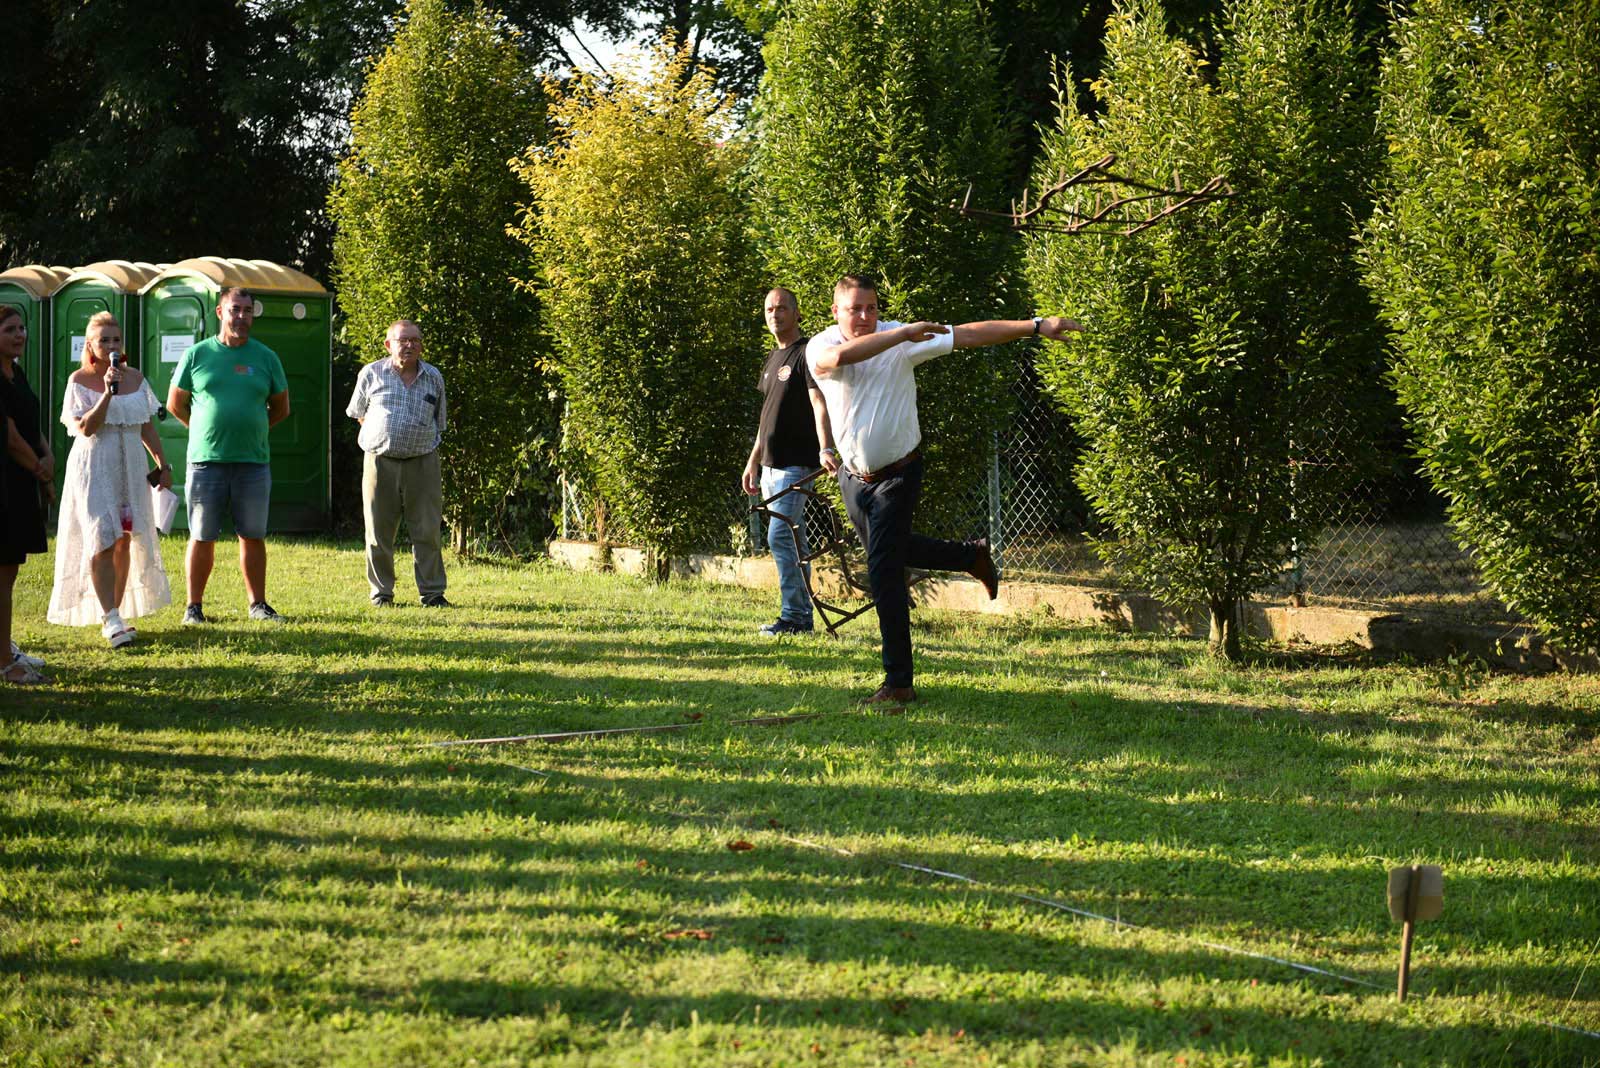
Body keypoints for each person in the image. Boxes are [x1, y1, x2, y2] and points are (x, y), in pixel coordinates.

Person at [806, 273, 1081, 705]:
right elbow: (839, 360)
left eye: (872, 308)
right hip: (854, 480)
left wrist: (1035, 325)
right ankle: (969, 555)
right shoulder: (820, 345)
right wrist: (901, 336)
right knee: (893, 551)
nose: (864, 316)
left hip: (899, 474)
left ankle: (899, 683)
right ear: (835, 311)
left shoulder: (900, 337)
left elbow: (969, 334)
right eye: (854, 308)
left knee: (883, 572)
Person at [47, 312, 174, 646]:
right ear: (90, 344)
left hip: (131, 466)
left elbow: (146, 425)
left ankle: (116, 610)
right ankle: (110, 618)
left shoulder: (136, 378)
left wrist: (162, 462)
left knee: (124, 538)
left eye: (116, 339)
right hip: (95, 466)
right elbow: (85, 427)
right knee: (101, 537)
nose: (111, 345)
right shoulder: (79, 380)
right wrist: (106, 392)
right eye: (104, 340)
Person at [167, 287, 290, 625]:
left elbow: (281, 407)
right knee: (202, 535)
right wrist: (204, 429)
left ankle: (258, 605)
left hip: (253, 462)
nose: (242, 317)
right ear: (220, 313)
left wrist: (255, 429)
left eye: (248, 311)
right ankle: (194, 608)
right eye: (235, 309)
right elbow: (175, 403)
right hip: (207, 462)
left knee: (252, 535)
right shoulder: (197, 354)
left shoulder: (266, 357)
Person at [741, 288, 833, 636]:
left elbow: (818, 402)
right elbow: (767, 420)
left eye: (782, 308)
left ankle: (794, 617)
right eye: (769, 308)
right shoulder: (771, 359)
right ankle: (801, 617)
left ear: (796, 313)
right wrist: (753, 462)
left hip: (796, 465)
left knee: (780, 536)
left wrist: (826, 448)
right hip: (769, 468)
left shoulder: (805, 353)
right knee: (793, 540)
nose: (774, 314)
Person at [346, 319, 450, 607]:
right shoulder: (371, 373)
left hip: (423, 462)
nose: (409, 345)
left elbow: (439, 421)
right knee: (378, 532)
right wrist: (383, 435)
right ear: (388, 345)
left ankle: (432, 593)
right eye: (403, 340)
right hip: (380, 461)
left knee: (427, 530)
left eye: (415, 340)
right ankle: (382, 594)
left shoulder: (433, 377)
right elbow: (358, 412)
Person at [1, 304, 55, 684]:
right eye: (9, 330)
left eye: (21, 328)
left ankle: (4, 646)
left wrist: (48, 455)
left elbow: (30, 423)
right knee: (1, 572)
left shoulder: (15, 371)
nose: (19, 335)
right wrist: (38, 468)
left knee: (10, 570)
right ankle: (4, 663)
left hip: (21, 481)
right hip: (5, 480)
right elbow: (8, 435)